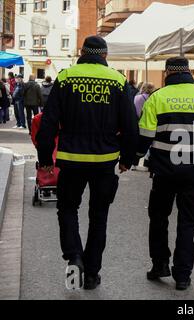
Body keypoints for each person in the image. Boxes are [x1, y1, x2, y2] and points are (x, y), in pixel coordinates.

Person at [36, 35, 139, 290]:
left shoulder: (67, 76)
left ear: (82, 52)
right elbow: (130, 124)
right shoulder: (117, 80)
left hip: (71, 159)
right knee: (99, 216)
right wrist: (128, 158)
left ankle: (74, 256)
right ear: (104, 55)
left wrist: (45, 157)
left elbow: (48, 121)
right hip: (104, 161)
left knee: (68, 209)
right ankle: (92, 274)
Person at [136, 56, 194, 290]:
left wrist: (130, 159)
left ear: (167, 73)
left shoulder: (157, 98)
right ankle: (183, 276)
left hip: (164, 172)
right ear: (188, 72)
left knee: (158, 218)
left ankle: (160, 265)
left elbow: (144, 136)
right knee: (188, 223)